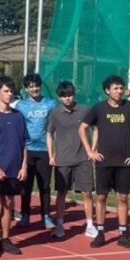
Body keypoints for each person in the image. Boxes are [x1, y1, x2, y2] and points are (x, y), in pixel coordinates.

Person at [79, 74, 130, 249]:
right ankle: (100, 233)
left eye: (121, 88)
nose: (119, 91)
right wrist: (90, 151)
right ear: (107, 91)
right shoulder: (99, 108)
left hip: (124, 162)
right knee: (101, 197)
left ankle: (123, 234)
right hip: (104, 162)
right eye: (115, 88)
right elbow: (83, 128)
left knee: (122, 197)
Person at [0, 77, 29, 257]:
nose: (9, 94)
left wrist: (24, 166)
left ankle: (6, 238)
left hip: (14, 169)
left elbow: (24, 143)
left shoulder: (18, 116)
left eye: (11, 91)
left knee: (9, 203)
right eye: (6, 91)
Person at [45, 80, 96, 239]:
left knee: (87, 193)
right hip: (63, 160)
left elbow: (96, 129)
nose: (68, 98)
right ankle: (59, 225)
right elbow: (49, 134)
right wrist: (51, 155)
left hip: (83, 159)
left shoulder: (85, 111)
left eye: (70, 95)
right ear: (59, 97)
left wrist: (92, 150)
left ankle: (90, 224)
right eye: (64, 96)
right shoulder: (55, 114)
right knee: (62, 193)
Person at [17, 73, 56, 228]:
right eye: (31, 86)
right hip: (27, 151)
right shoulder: (21, 106)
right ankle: (25, 214)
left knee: (44, 186)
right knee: (26, 185)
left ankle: (46, 215)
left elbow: (56, 128)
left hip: (45, 151)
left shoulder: (51, 104)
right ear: (26, 89)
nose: (35, 89)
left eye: (37, 85)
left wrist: (54, 152)